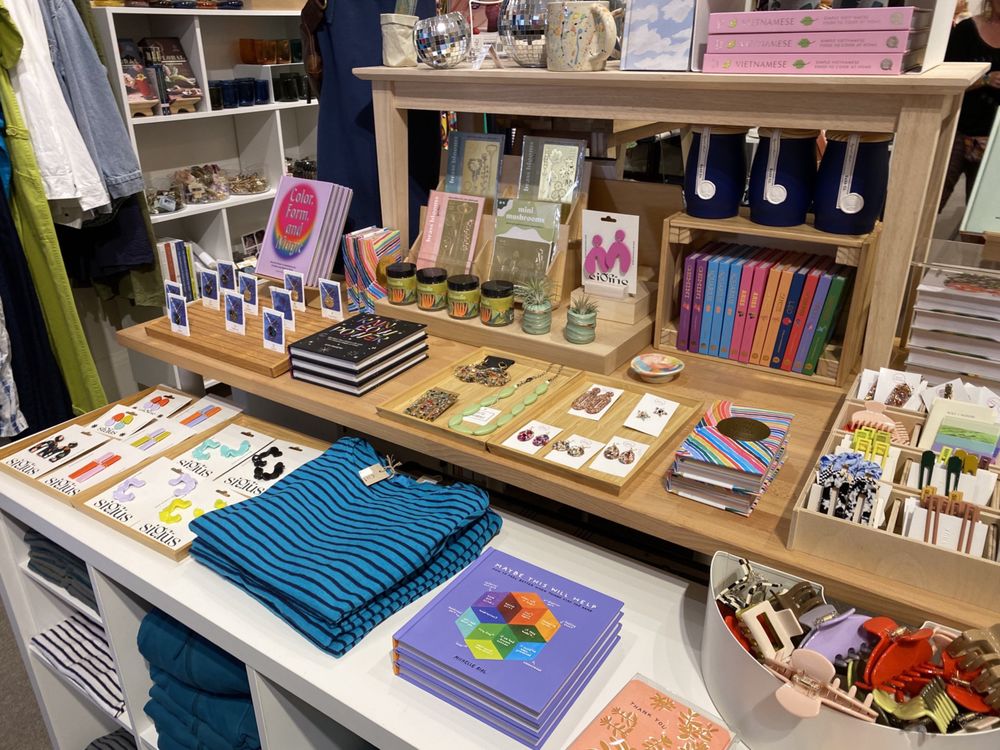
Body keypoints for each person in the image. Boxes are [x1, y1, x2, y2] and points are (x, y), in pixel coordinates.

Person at [940, 0, 1000, 209]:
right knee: (929, 199)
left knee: (980, 211)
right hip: (956, 132)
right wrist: (985, 79)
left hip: (994, 140)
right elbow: (945, 80)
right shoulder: (966, 30)